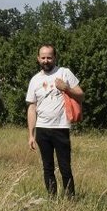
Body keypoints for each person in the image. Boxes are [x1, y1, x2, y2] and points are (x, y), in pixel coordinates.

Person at [25, 44, 83, 198]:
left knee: (65, 167)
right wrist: (31, 134)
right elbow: (32, 107)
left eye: (49, 57)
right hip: (42, 129)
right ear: (38, 59)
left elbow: (81, 95)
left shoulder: (64, 73)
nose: (46, 60)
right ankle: (52, 198)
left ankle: (70, 199)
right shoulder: (35, 80)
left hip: (61, 127)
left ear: (54, 58)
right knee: (47, 167)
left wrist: (66, 88)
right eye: (43, 57)